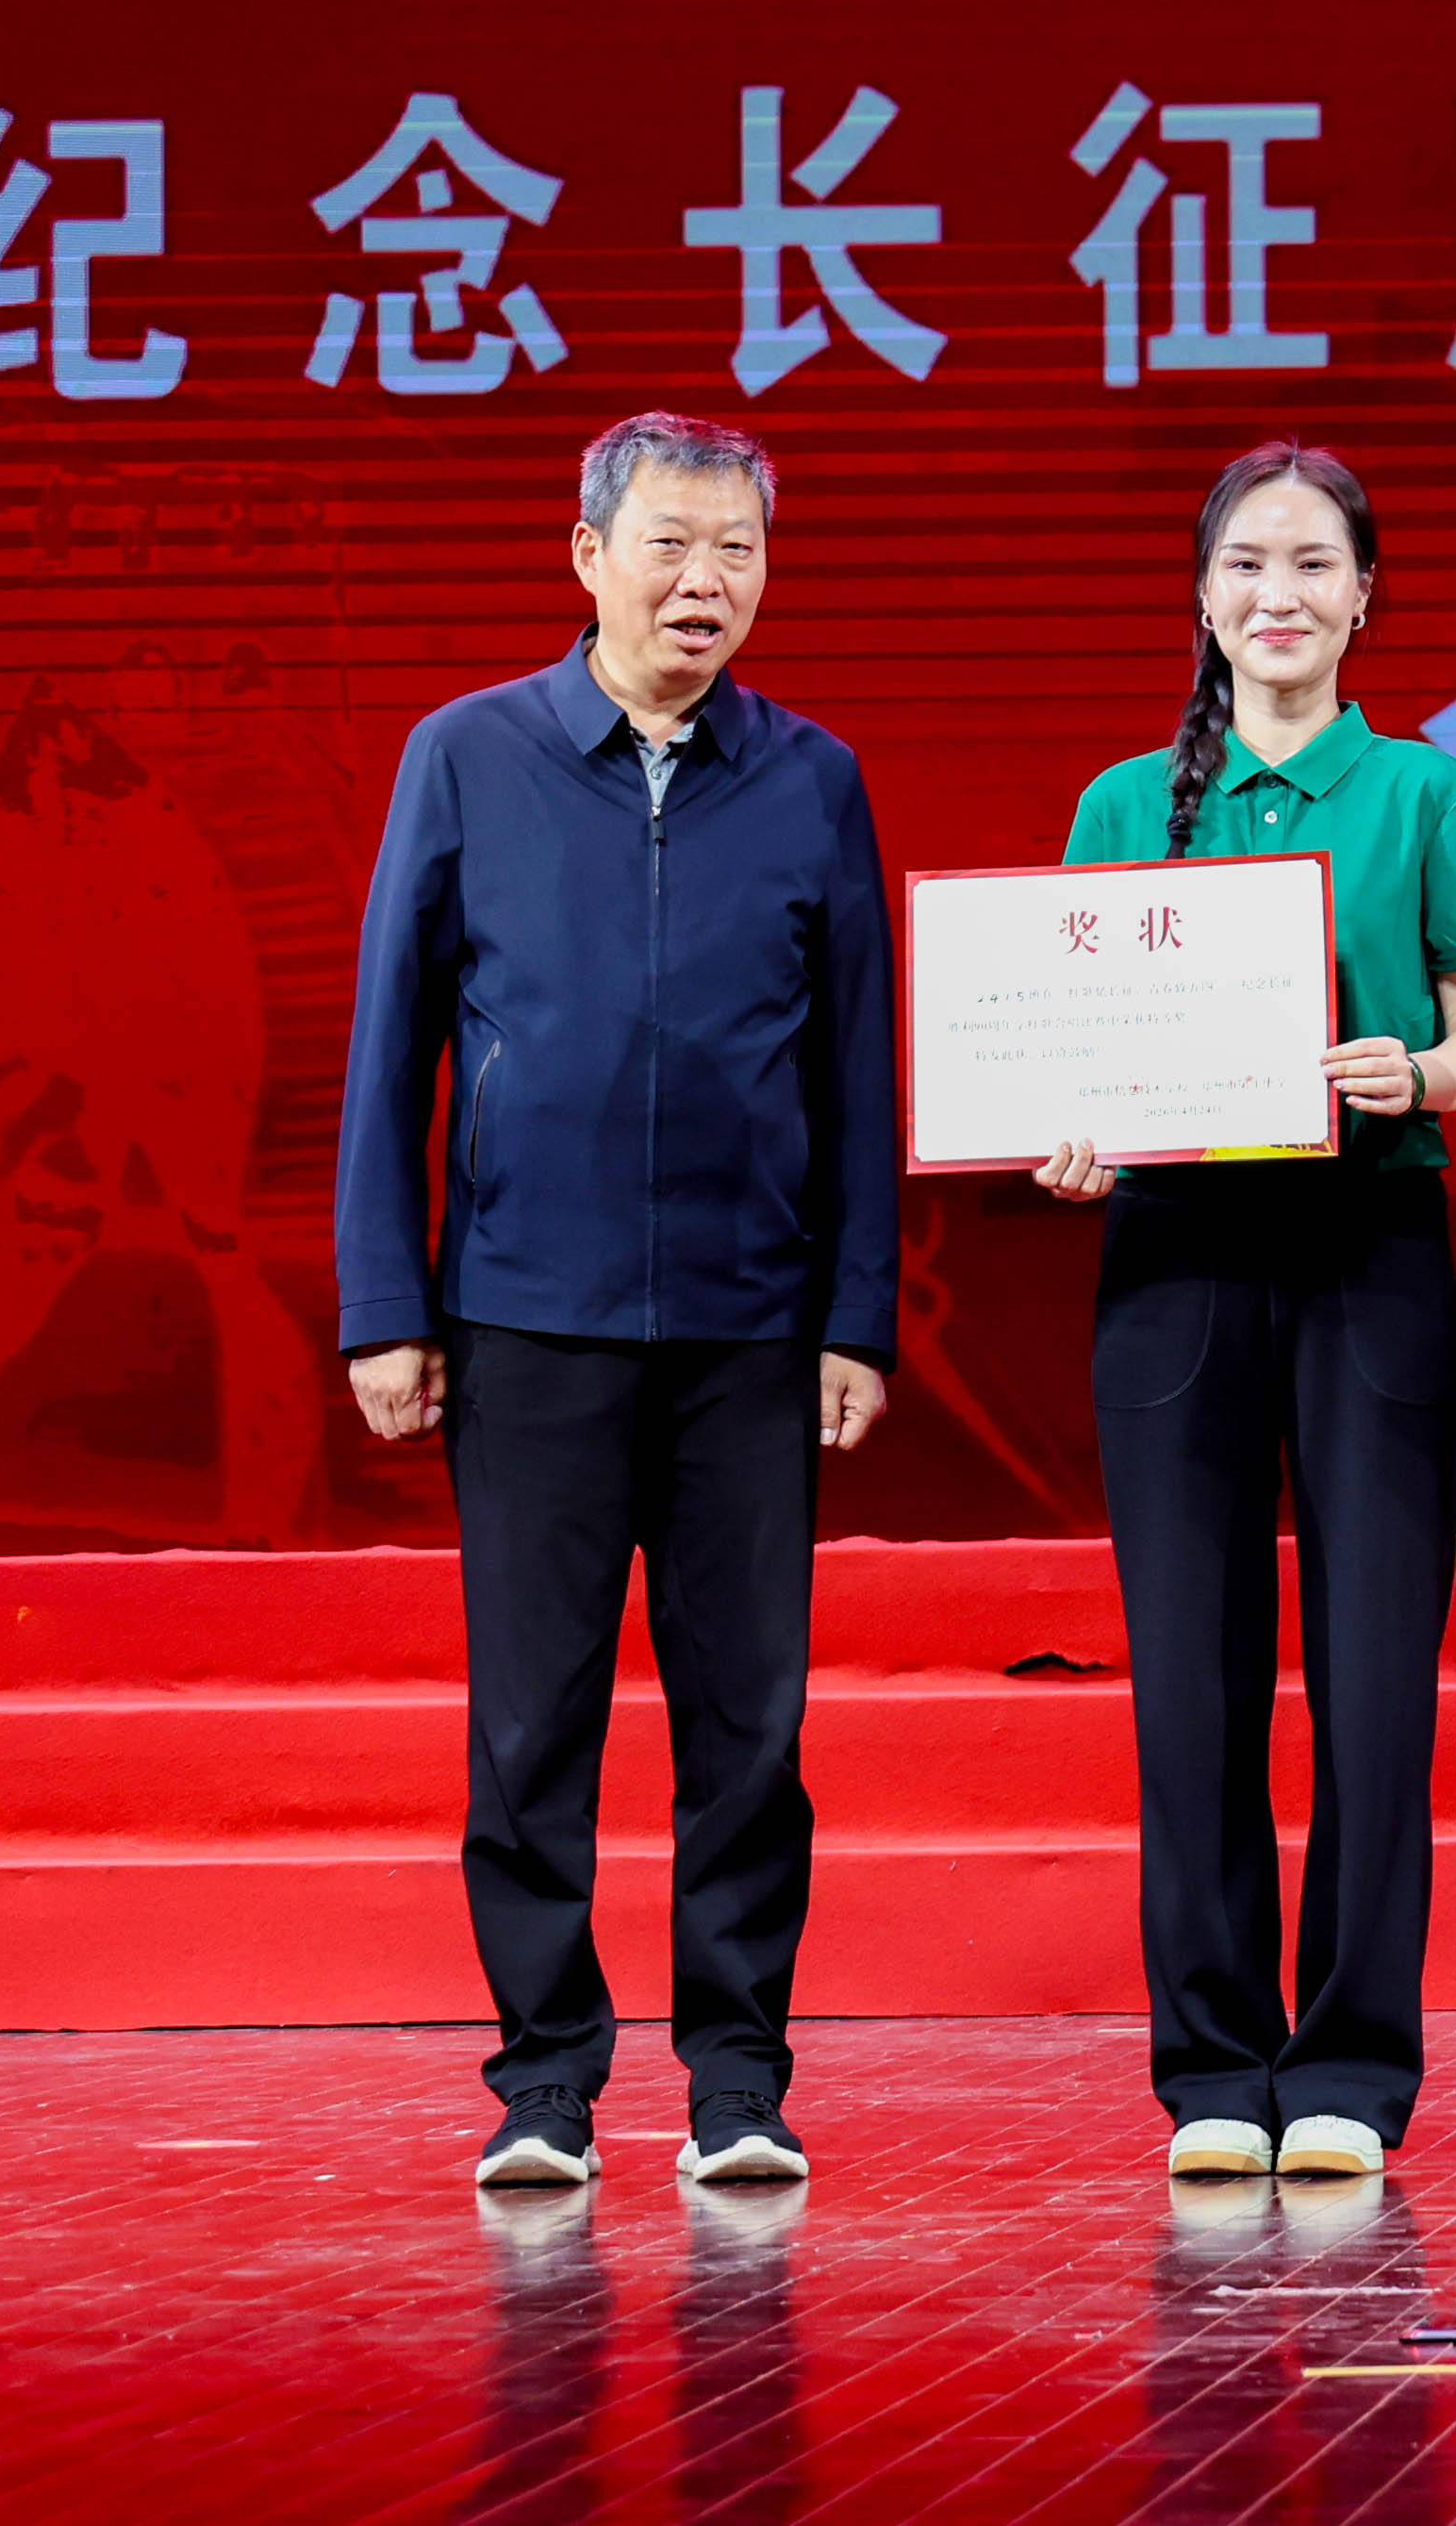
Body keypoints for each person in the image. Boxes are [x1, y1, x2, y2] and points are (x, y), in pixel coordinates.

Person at [336, 411, 896, 2193]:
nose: (703, 581)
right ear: (587, 557)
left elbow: (858, 1068)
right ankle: (544, 2088)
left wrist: (856, 1315)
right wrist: (385, 1304)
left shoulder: (811, 778)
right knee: (531, 1724)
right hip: (527, 1316)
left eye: (737, 549)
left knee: (751, 1729)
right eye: (669, 543)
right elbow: (390, 1048)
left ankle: (739, 2084)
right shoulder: (467, 757)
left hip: (751, 1331)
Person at [1035, 442, 1456, 2185]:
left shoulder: (1427, 794)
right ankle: (1213, 2071)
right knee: (1191, 1680)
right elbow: (1067, 1050)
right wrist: (1072, 1141)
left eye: (1316, 564)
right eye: (1249, 564)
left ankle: (1353, 2070)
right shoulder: (1121, 807)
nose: (1281, 596)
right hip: (1173, 1260)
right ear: (1203, 595)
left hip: (1369, 1248)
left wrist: (1420, 1074)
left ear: (1365, 596)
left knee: (1376, 1681)